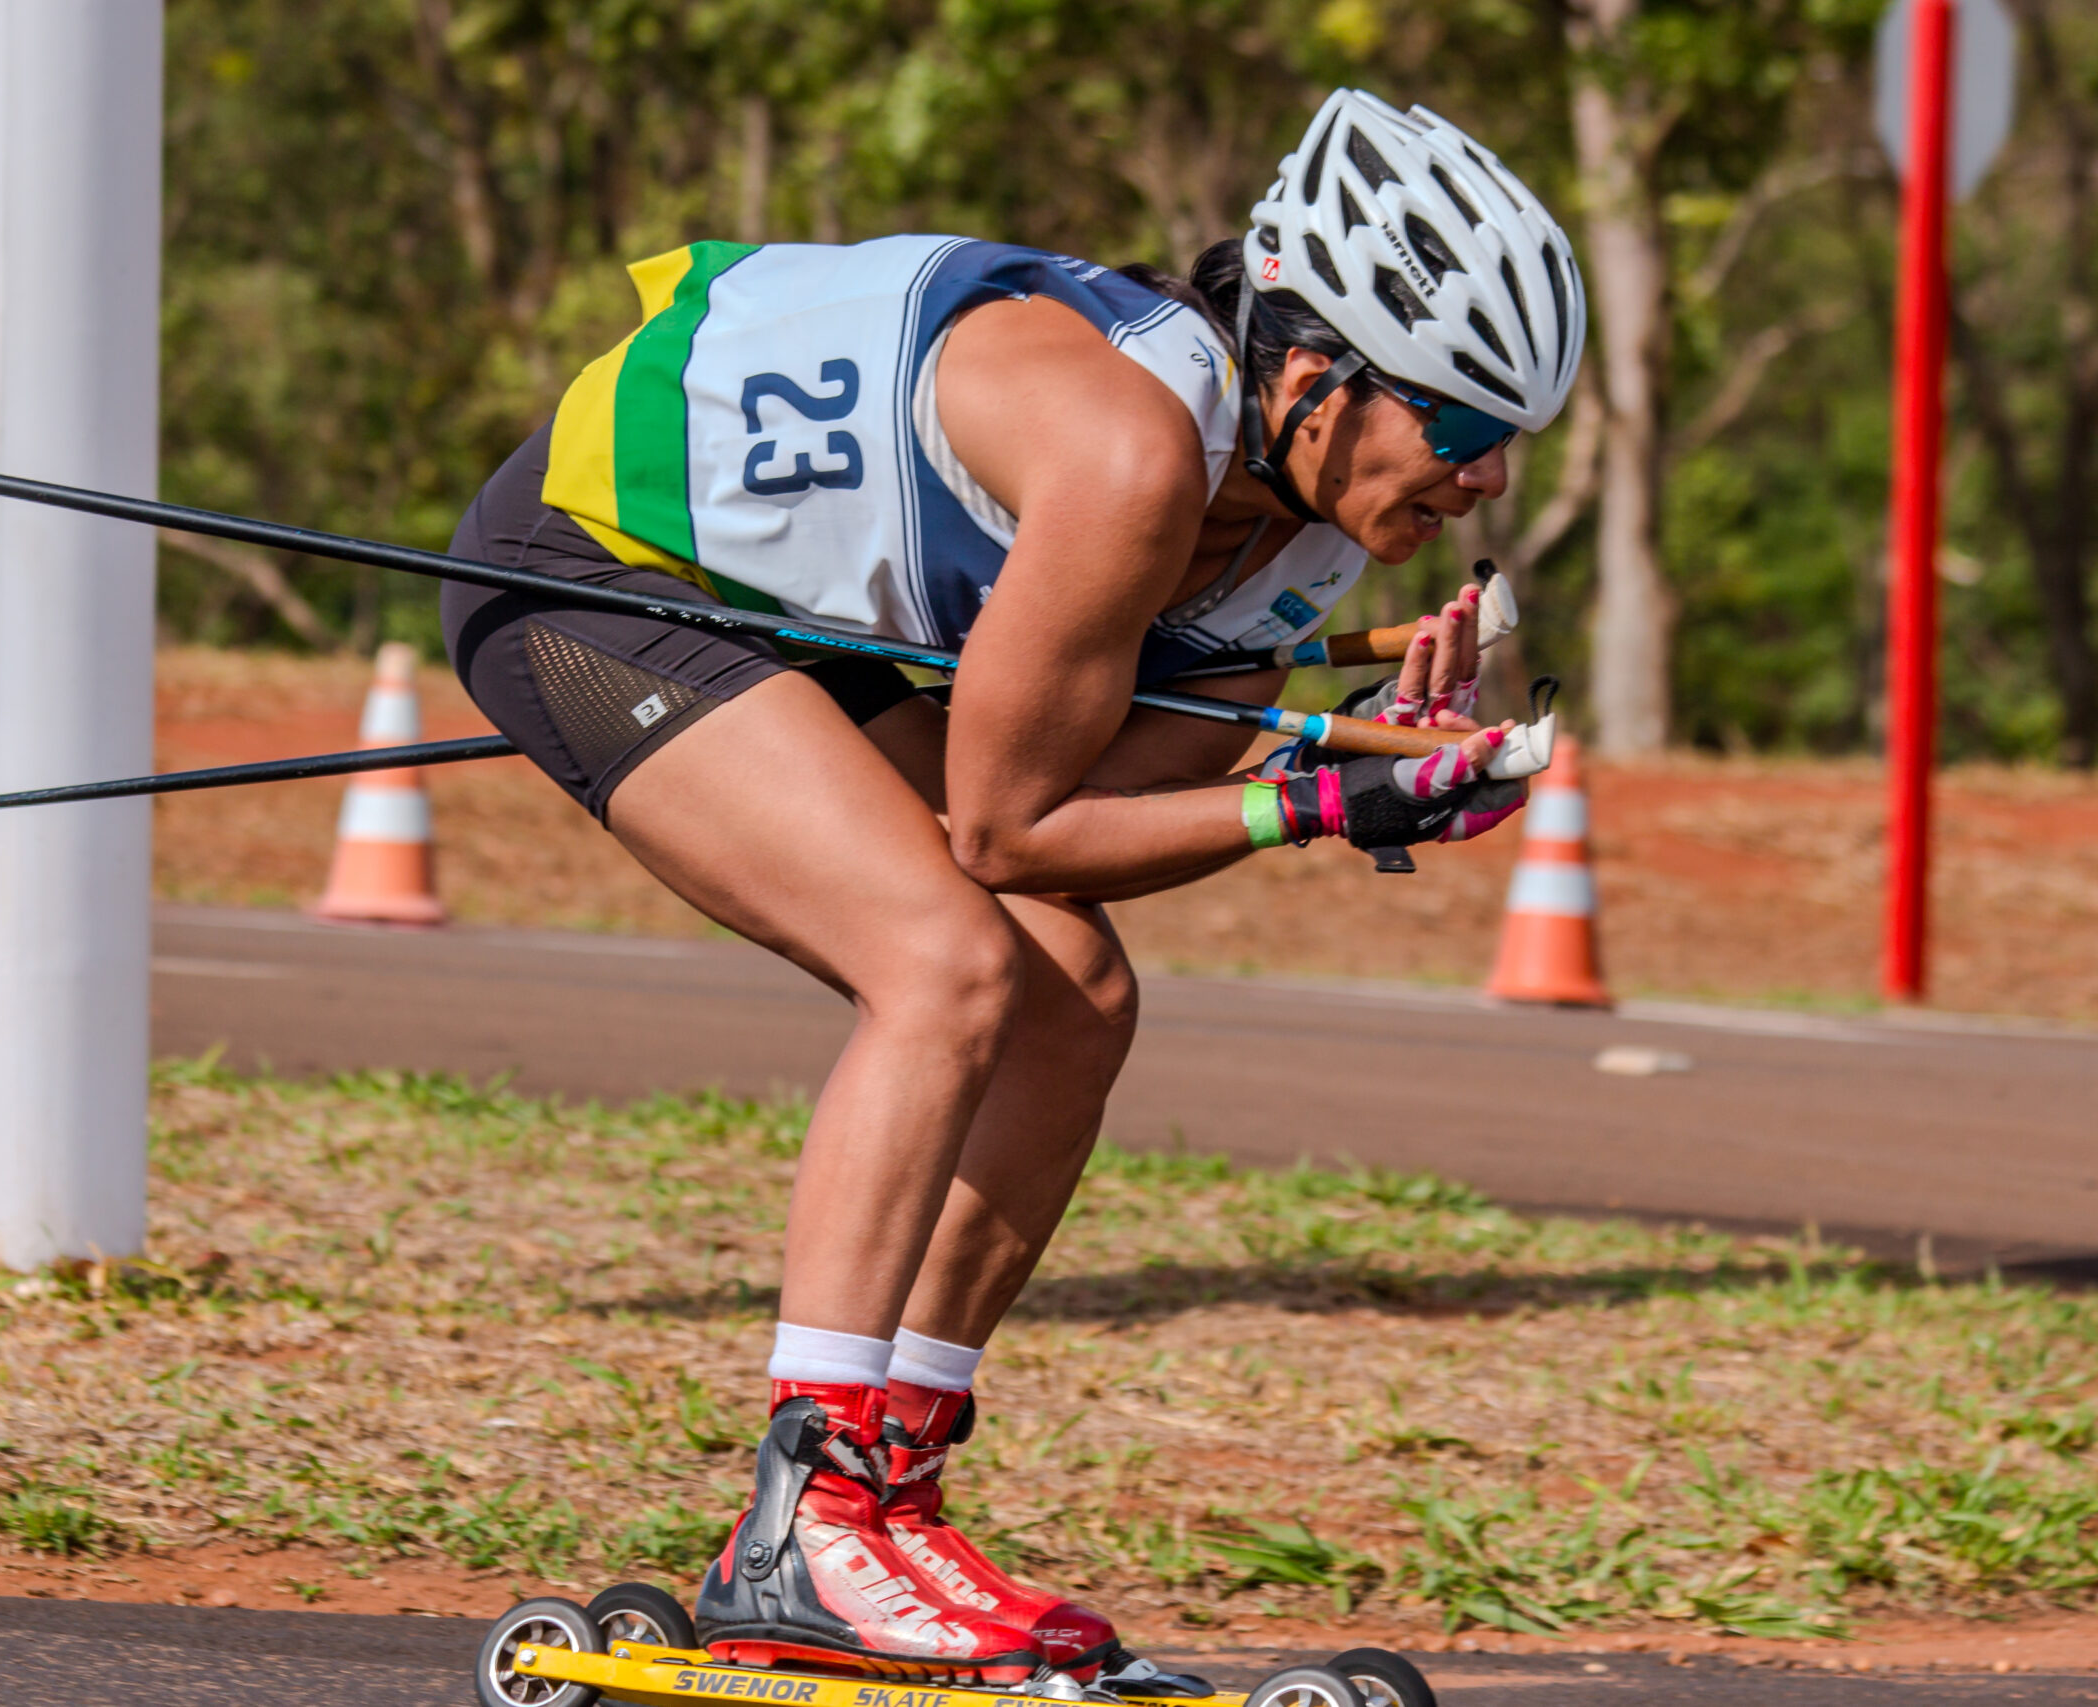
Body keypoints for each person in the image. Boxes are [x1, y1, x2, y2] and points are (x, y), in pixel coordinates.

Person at [441, 89, 1585, 1685]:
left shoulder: (1300, 544)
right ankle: (803, 1525)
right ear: (1317, 382)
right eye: (1461, 431)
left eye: (1508, 444)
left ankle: (883, 1494)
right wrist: (1321, 796)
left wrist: (1336, 752)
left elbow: (1114, 805)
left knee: (1070, 994)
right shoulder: (1127, 454)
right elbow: (1008, 834)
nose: (1487, 483)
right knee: (950, 962)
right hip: (588, 572)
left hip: (796, 606)